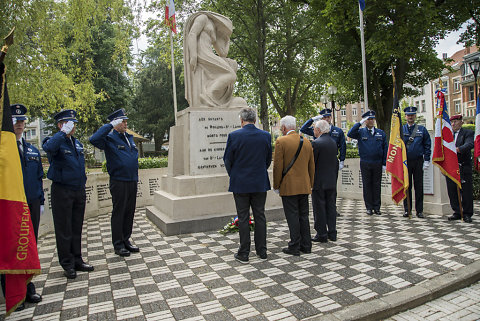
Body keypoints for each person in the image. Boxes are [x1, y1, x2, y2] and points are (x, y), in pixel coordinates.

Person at [1, 104, 43, 310]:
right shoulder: (4, 151)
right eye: (15, 121)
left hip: (31, 204)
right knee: (11, 247)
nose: (19, 124)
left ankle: (28, 286)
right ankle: (13, 293)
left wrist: (40, 201)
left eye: (21, 121)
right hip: (12, 207)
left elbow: (38, 177)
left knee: (29, 244)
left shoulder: (31, 149)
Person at [42, 109, 93, 279]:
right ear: (60, 125)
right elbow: (48, 148)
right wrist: (62, 133)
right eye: (67, 124)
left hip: (78, 189)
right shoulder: (55, 141)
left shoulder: (76, 143)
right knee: (64, 228)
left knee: (76, 226)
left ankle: (77, 259)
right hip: (62, 190)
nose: (72, 127)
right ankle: (67, 263)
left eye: (73, 124)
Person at [223, 108, 272, 264]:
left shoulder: (234, 136)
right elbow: (268, 159)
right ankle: (262, 251)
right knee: (260, 216)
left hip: (240, 183)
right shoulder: (265, 136)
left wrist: (235, 175)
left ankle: (244, 253)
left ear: (241, 121)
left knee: (243, 218)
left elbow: (227, 160)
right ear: (255, 120)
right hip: (259, 182)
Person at [89, 109, 140, 257]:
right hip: (119, 181)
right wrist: (109, 125)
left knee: (129, 211)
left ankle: (126, 240)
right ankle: (118, 244)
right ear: (116, 123)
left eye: (125, 121)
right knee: (119, 212)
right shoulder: (109, 138)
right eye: (122, 121)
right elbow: (93, 139)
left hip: (132, 179)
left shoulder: (129, 137)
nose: (125, 123)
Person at [184, 11, 247, 108]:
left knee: (232, 64)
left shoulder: (214, 29)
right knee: (231, 75)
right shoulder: (203, 17)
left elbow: (223, 53)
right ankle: (209, 94)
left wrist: (227, 40)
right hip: (202, 53)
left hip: (208, 53)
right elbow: (192, 34)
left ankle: (215, 97)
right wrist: (193, 54)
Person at [273, 116, 315, 256]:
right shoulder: (307, 142)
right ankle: (306, 245)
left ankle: (294, 245)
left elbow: (278, 166)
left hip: (288, 186)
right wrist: (311, 184)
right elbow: (312, 166)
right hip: (304, 185)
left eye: (281, 127)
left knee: (292, 216)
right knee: (304, 216)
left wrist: (276, 185)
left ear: (284, 128)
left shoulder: (281, 141)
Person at [300, 108, 346, 216]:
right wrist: (312, 119)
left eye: (328, 117)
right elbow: (303, 128)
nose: (326, 119)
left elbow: (343, 146)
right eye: (324, 117)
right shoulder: (317, 130)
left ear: (331, 118)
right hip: (320, 162)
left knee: (332, 187)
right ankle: (323, 209)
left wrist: (342, 160)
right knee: (320, 187)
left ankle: (332, 209)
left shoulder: (337, 131)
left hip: (332, 162)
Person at [347, 110, 387, 215]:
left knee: (377, 185)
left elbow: (385, 149)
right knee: (367, 185)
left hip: (377, 162)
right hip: (365, 162)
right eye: (368, 119)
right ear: (365, 121)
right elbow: (350, 133)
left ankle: (377, 207)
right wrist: (359, 123)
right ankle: (369, 207)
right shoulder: (360, 132)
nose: (371, 121)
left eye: (372, 119)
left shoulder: (381, 133)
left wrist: (384, 163)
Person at [311, 120, 338, 243]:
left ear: (319, 130)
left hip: (319, 181)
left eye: (314, 129)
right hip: (331, 181)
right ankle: (332, 232)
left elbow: (312, 164)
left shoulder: (316, 143)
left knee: (319, 208)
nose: (313, 131)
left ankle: (321, 233)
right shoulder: (333, 142)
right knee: (331, 207)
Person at [402, 106, 431, 218]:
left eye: (412, 115)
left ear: (415, 116)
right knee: (406, 186)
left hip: (418, 161)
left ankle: (419, 211)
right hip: (406, 162)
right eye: (408, 115)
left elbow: (427, 145)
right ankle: (407, 209)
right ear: (405, 117)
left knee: (419, 186)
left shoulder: (422, 130)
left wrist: (427, 160)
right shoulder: (401, 129)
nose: (410, 117)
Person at [446, 114, 474, 223]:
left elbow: (470, 144)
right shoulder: (447, 135)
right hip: (451, 167)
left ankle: (467, 213)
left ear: (461, 122)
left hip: (463, 165)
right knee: (452, 190)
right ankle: (457, 211)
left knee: (466, 191)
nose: (453, 124)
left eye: (456, 122)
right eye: (452, 122)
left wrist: (458, 149)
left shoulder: (467, 133)